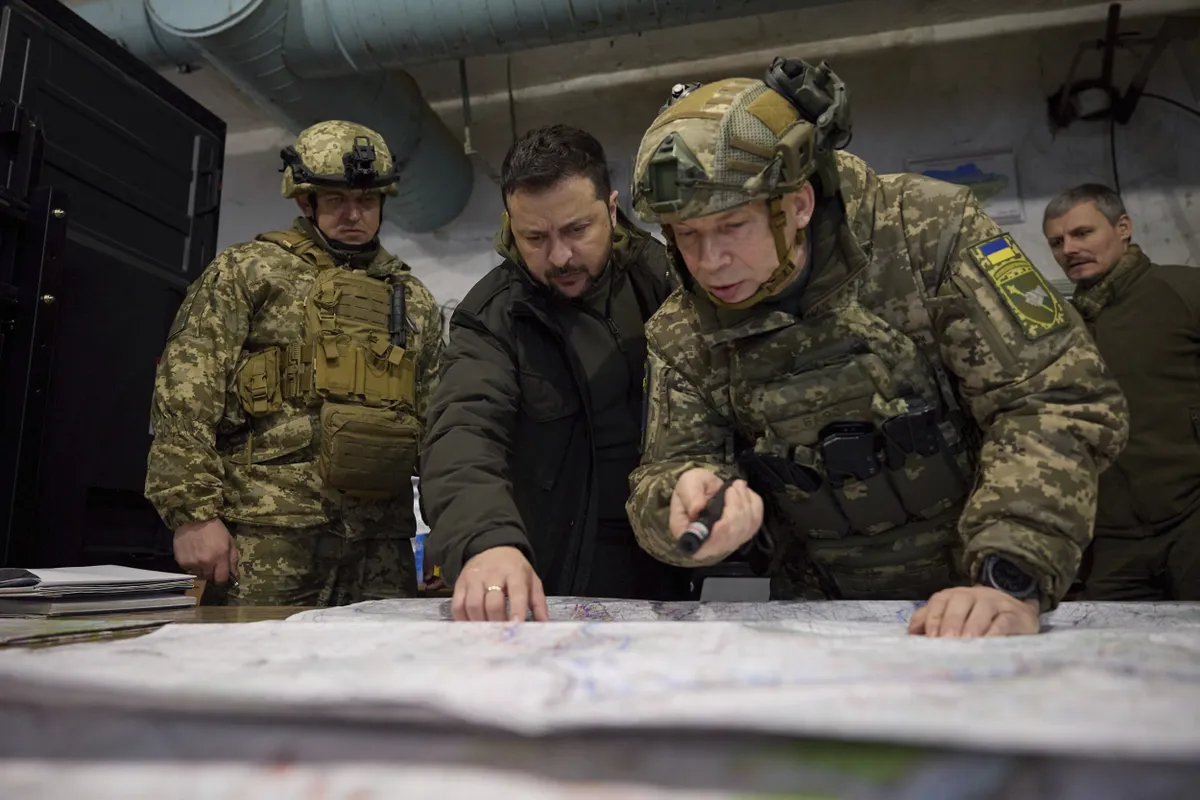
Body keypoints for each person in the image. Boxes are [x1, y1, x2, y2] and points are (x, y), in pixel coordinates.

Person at [624, 58, 1129, 637]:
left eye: (732, 227)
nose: (709, 262)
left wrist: (1009, 574)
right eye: (686, 236)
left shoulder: (928, 233)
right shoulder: (681, 328)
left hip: (992, 590)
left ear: (798, 204)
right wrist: (680, 503)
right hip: (829, 623)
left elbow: (1053, 398)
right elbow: (662, 474)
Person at [146, 120, 444, 606]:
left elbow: (439, 423)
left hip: (381, 542)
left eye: (367, 201)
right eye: (336, 201)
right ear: (305, 202)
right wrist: (192, 514)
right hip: (268, 530)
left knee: (377, 676)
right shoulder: (249, 270)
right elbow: (185, 392)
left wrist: (449, 526)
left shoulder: (412, 299)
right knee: (251, 675)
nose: (354, 214)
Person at [421, 124, 692, 622]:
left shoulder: (671, 281)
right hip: (564, 575)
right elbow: (462, 433)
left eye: (576, 230)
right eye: (535, 237)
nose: (560, 256)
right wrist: (486, 541)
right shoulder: (495, 317)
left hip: (686, 562)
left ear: (612, 210)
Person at [1043, 184, 1199, 600]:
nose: (1069, 249)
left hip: (1190, 523)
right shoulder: (1061, 323)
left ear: (1123, 227)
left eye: (1082, 233)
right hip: (1111, 544)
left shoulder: (1182, 291)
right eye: (1057, 242)